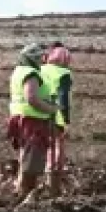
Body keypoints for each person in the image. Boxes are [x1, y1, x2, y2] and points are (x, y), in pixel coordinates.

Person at [6, 43, 60, 196]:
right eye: (38, 58)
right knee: (31, 161)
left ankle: (21, 193)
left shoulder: (19, 71)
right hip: (32, 121)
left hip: (21, 119)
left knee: (25, 157)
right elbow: (32, 98)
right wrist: (51, 108)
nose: (41, 61)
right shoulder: (31, 74)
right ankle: (25, 194)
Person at [40, 46, 73, 194]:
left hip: (39, 113)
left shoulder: (41, 70)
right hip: (56, 115)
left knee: (46, 147)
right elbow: (63, 97)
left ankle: (46, 179)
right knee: (58, 147)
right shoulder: (64, 73)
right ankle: (54, 182)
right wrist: (66, 120)